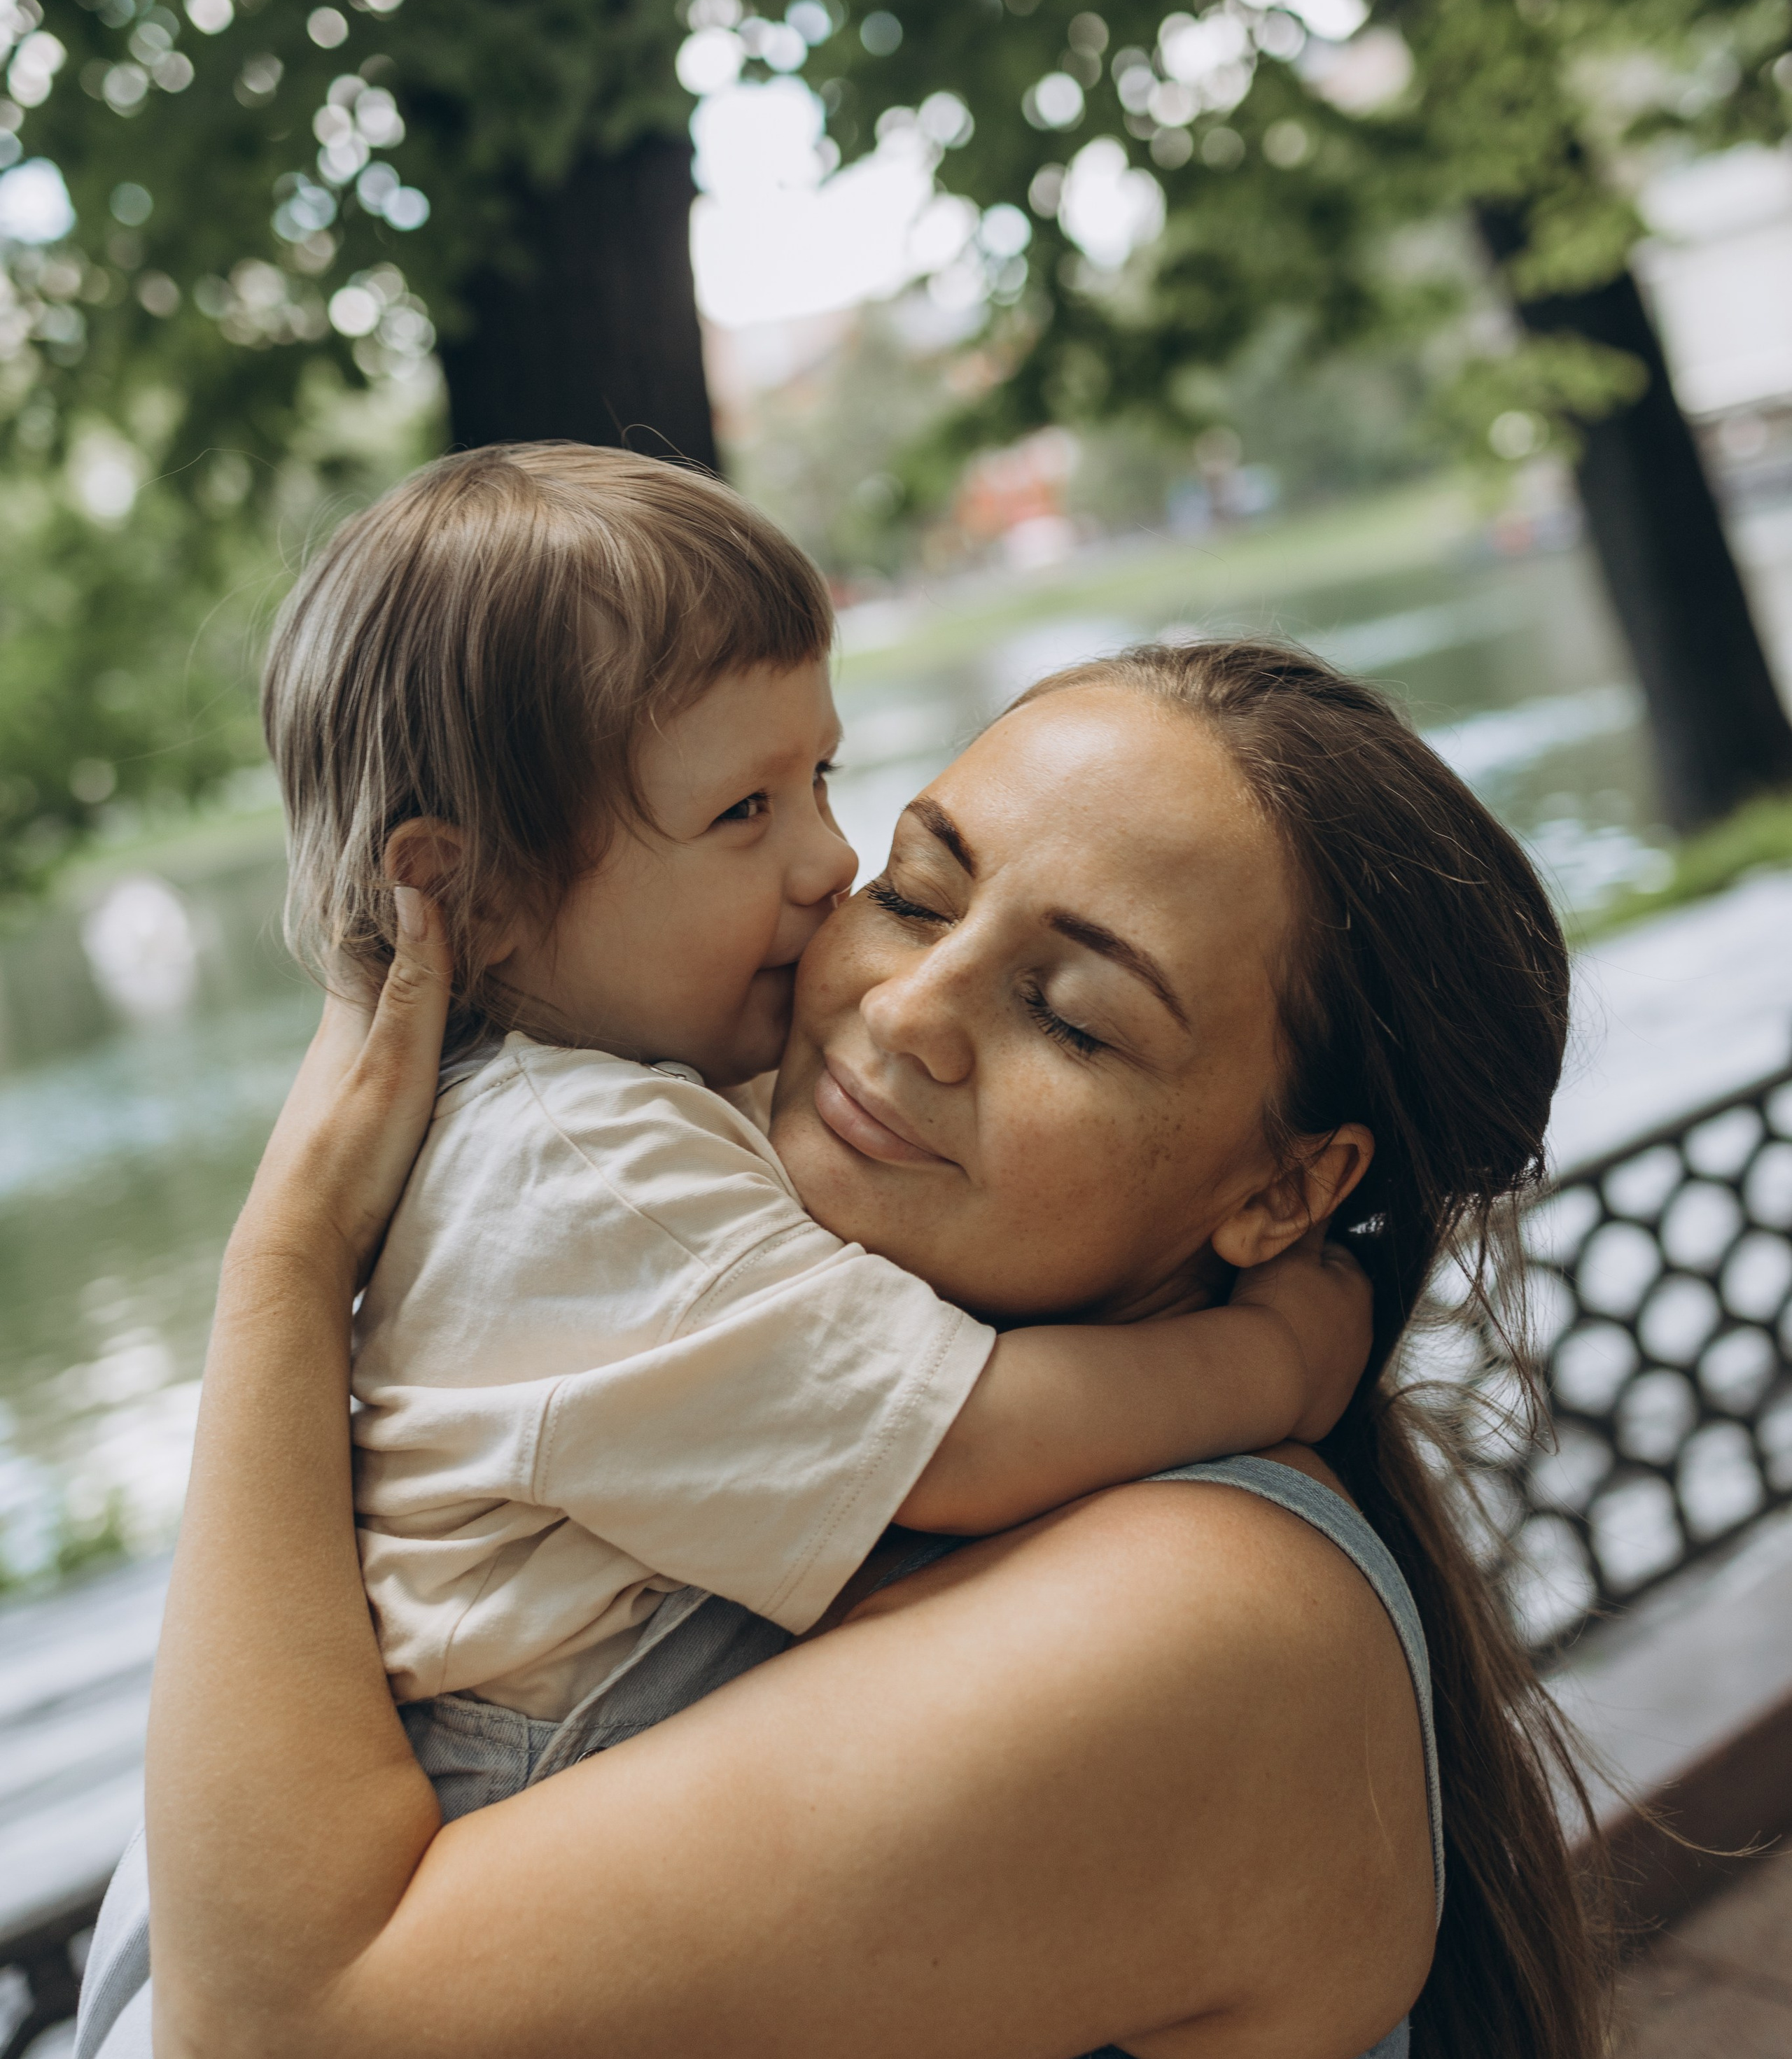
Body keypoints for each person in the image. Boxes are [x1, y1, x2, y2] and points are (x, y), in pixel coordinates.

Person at [75, 638, 1614, 2059]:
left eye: (1074, 1018)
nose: (908, 1010)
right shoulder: (713, 1382)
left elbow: (265, 2040)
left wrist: (288, 1262)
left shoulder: (1209, 1619)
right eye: (914, 896)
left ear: (1284, 1189)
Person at [270, 444, 1365, 1762]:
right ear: (472, 896)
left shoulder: (639, 1099)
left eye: (823, 781)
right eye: (745, 809)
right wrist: (1271, 1362)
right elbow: (965, 1439)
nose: (829, 859)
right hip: (507, 1778)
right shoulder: (578, 1167)